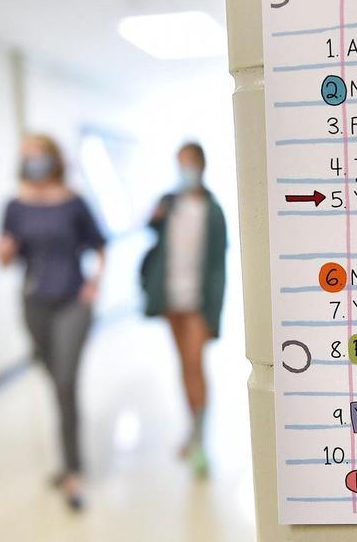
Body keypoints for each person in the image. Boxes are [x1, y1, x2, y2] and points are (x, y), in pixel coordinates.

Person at [0, 134, 105, 511]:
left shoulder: (74, 203)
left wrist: (94, 284)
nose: (32, 162)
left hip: (73, 301)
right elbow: (5, 258)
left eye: (37, 155)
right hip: (35, 303)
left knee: (65, 381)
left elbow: (100, 244)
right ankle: (68, 460)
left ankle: (73, 470)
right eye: (25, 157)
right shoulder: (15, 206)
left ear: (52, 158)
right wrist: (5, 251)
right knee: (53, 377)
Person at [141, 142, 227, 477]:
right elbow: (152, 234)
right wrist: (156, 217)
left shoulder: (213, 209)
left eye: (189, 163)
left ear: (202, 166)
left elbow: (219, 265)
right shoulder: (169, 203)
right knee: (183, 365)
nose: (184, 170)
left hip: (197, 303)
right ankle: (191, 431)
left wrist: (214, 313)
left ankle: (202, 441)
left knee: (195, 365)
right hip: (171, 300)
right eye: (180, 164)